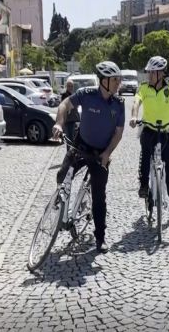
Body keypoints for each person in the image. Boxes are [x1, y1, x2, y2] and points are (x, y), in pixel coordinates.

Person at [53, 61, 124, 254]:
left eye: (119, 80)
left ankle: (100, 237)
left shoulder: (118, 104)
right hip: (80, 146)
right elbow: (65, 104)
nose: (119, 83)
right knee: (62, 175)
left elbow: (119, 132)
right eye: (115, 80)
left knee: (99, 197)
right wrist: (59, 124)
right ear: (104, 81)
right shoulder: (87, 94)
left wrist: (107, 154)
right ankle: (61, 210)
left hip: (100, 154)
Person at [130, 56, 169, 224]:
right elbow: (136, 102)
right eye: (148, 72)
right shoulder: (144, 88)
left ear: (160, 74)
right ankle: (143, 185)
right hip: (149, 129)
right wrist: (134, 117)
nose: (149, 75)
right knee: (145, 154)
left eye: (152, 72)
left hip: (165, 132)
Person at [60, 80, 80, 149]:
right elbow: (64, 107)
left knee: (74, 138)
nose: (70, 87)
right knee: (69, 138)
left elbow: (76, 105)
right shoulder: (64, 95)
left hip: (74, 119)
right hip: (68, 120)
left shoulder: (74, 95)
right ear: (66, 86)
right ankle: (69, 154)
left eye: (71, 86)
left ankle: (72, 153)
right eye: (69, 86)